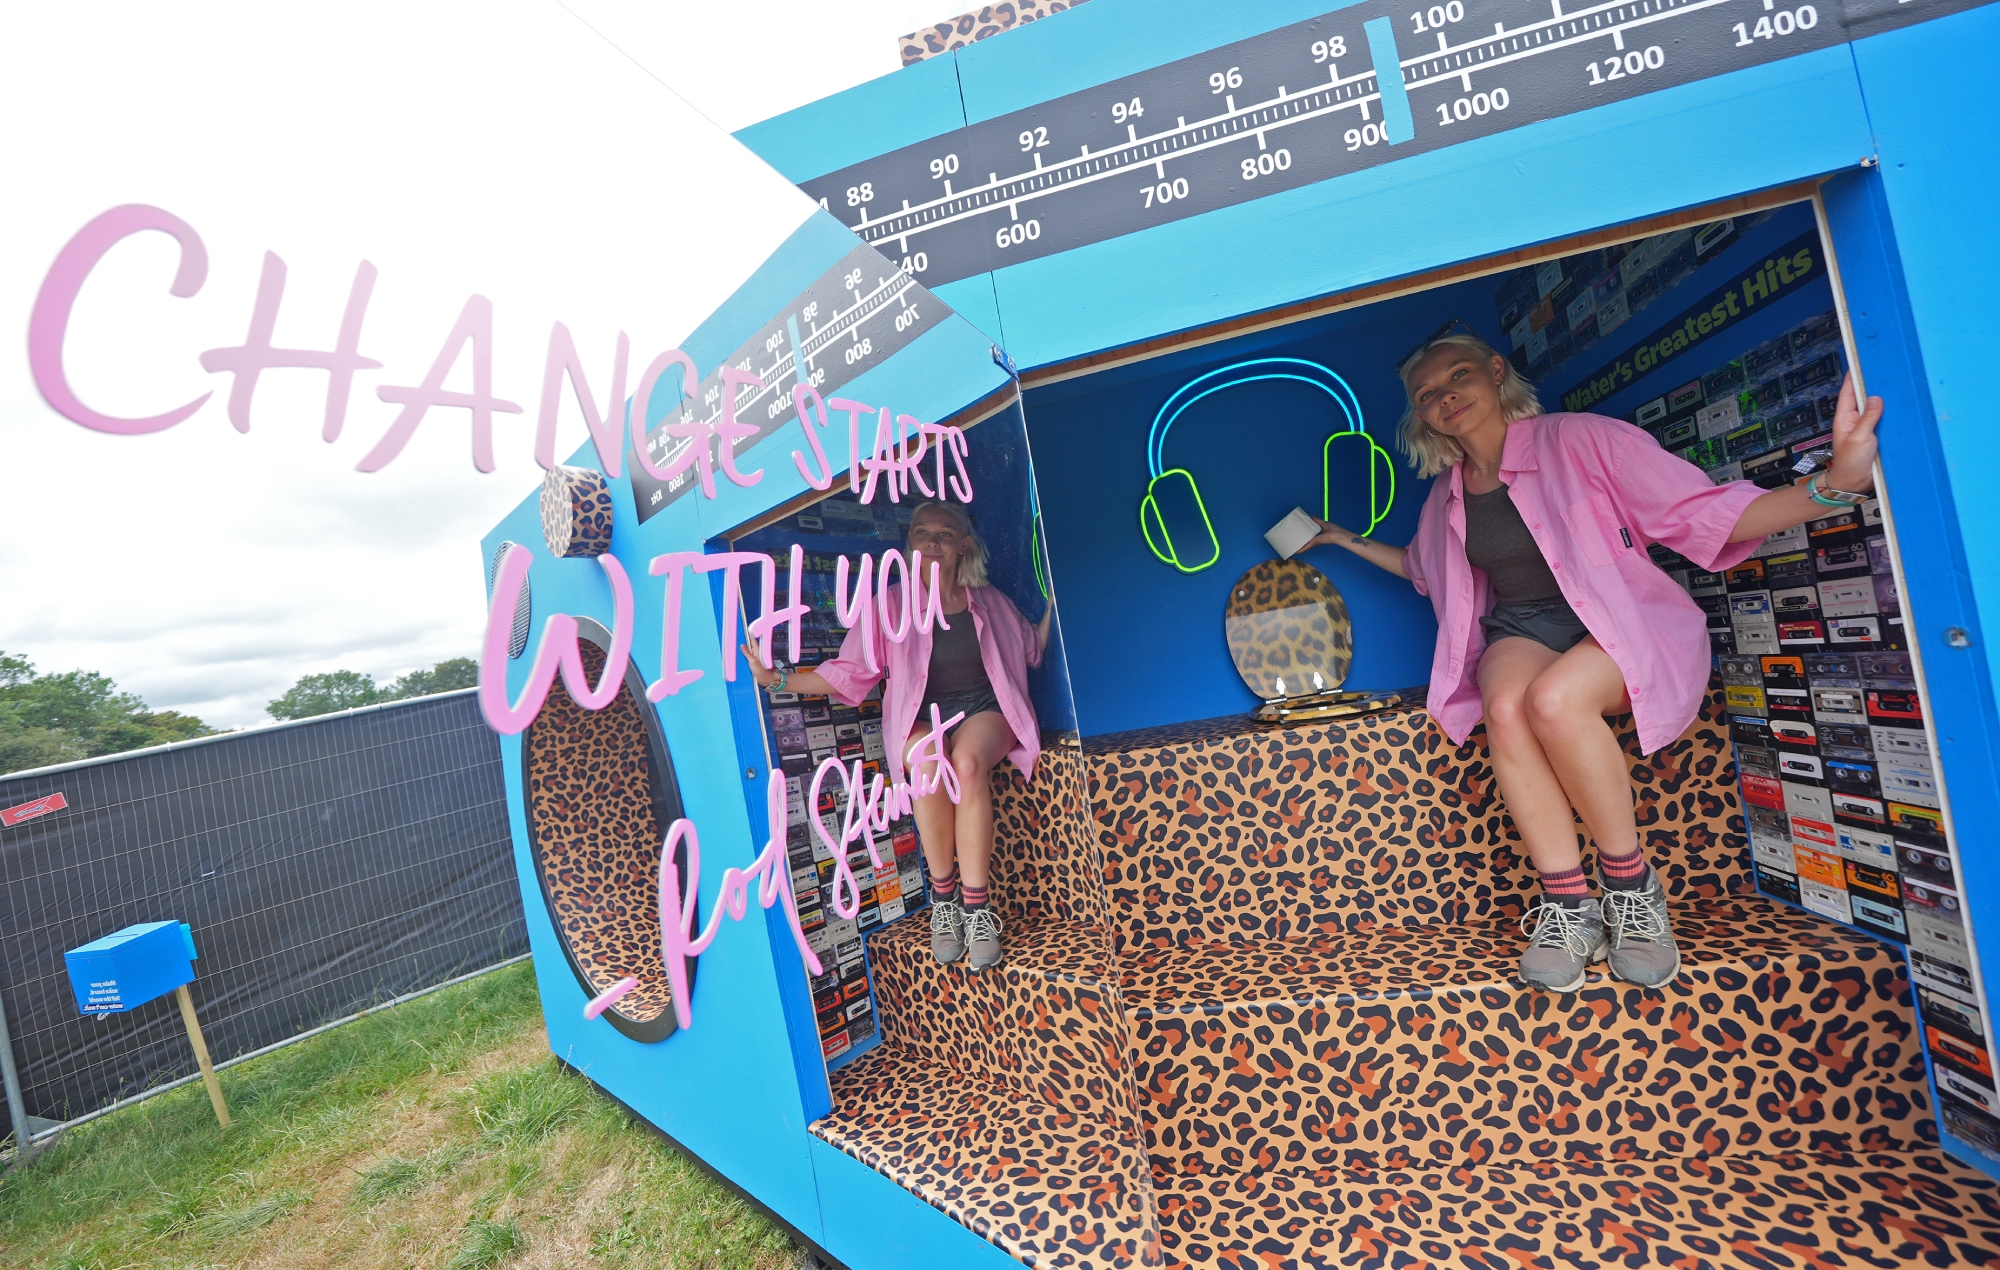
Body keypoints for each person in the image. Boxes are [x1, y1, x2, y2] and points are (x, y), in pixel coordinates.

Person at [1307, 328, 1882, 991]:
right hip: (1522, 628)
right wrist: (1339, 538)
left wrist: (1836, 486)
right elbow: (1421, 566)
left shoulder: (1579, 440)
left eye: (1458, 375)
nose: (1446, 396)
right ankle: (1568, 906)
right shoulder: (1448, 496)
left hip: (1613, 622)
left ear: (1496, 372)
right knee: (1504, 705)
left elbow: (1697, 514)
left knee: (1554, 700)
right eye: (1427, 393)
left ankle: (1632, 890)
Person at [742, 500, 1054, 972]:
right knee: (926, 765)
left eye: (944, 534)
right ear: (908, 543)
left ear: (963, 545)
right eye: (921, 532)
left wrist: (1058, 603)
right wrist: (777, 681)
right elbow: (848, 673)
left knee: (967, 766)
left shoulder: (988, 600)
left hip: (984, 709)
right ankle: (944, 902)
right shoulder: (889, 603)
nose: (931, 541)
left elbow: (1031, 646)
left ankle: (977, 908)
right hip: (923, 716)